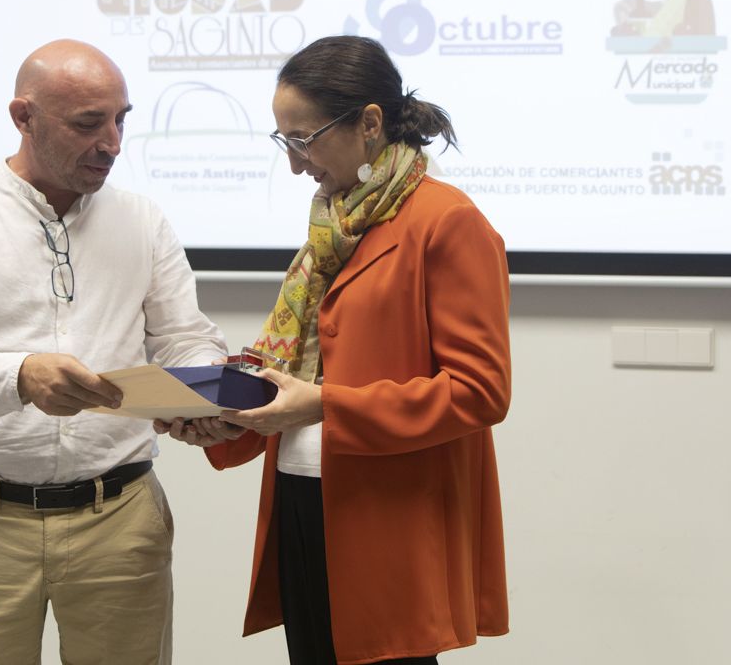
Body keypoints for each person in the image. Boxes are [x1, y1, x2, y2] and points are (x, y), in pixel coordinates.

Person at [156, 35, 512, 665]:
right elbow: (298, 366)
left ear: (370, 123)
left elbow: (479, 391)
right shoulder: (334, 223)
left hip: (388, 515)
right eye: (282, 142)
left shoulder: (447, 221)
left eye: (304, 139)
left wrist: (323, 406)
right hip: (301, 492)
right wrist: (221, 414)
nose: (295, 164)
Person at [0, 39, 227, 665]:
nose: (114, 142)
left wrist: (199, 393)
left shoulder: (144, 221)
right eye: (88, 123)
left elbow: (185, 336)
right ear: (24, 118)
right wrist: (19, 376)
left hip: (121, 518)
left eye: (122, 119)